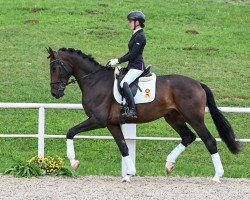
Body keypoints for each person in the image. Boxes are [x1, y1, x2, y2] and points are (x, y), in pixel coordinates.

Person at [109, 11, 147, 118]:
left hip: (137, 67)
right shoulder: (135, 35)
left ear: (137, 22)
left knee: (124, 83)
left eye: (131, 21)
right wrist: (117, 59)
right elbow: (130, 52)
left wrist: (119, 61)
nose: (129, 23)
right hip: (132, 66)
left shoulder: (141, 36)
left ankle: (133, 110)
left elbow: (133, 54)